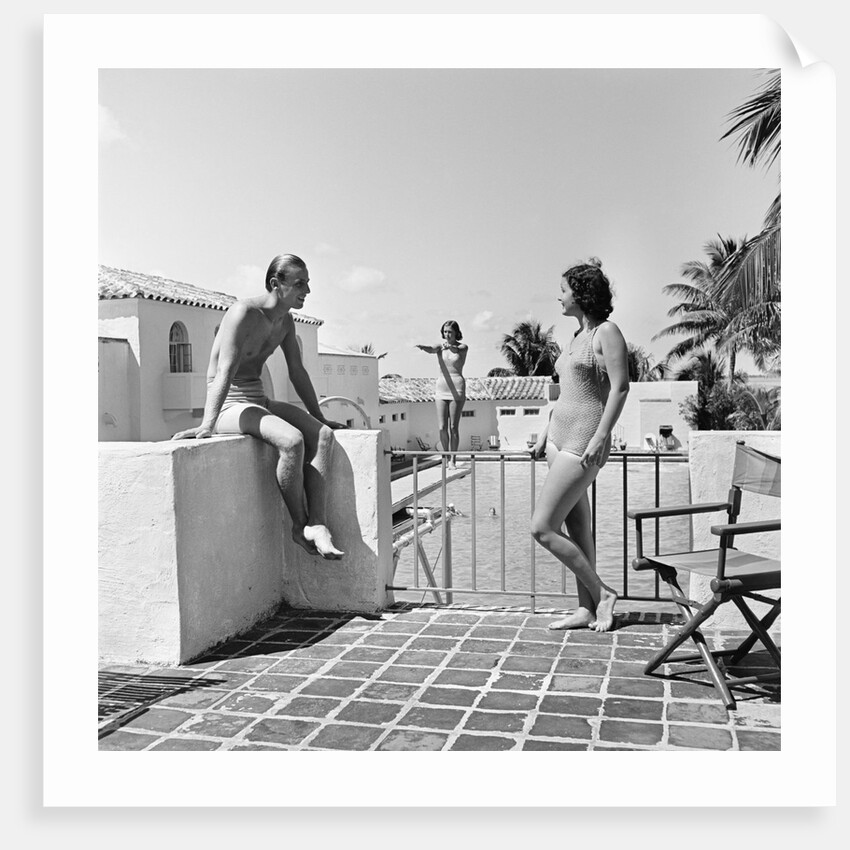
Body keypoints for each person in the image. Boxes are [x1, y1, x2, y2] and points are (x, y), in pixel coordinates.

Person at [172, 254, 345, 560]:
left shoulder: (285, 321)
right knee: (291, 441)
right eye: (299, 283)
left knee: (322, 436)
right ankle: (299, 525)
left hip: (258, 400)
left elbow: (297, 371)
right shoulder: (243, 313)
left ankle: (317, 523)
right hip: (229, 405)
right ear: (276, 284)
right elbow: (225, 370)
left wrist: (319, 417)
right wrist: (207, 425)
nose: (306, 290)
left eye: (307, 283)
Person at [529, 258, 629, 631]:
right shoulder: (574, 337)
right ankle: (586, 609)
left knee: (541, 528)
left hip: (584, 440)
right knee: (578, 530)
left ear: (581, 294)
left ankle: (603, 593)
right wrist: (546, 428)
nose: (559, 297)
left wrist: (602, 436)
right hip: (558, 438)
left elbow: (619, 387)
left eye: (564, 290)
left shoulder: (607, 332)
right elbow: (568, 393)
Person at [415, 320, 468, 469]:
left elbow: (457, 350)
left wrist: (450, 346)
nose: (447, 334)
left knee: (453, 427)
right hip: (441, 389)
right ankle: (445, 456)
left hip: (457, 389)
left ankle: (453, 459)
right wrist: (423, 347)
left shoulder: (462, 347)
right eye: (445, 332)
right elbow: (432, 349)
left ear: (456, 332)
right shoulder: (440, 347)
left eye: (450, 332)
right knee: (442, 427)